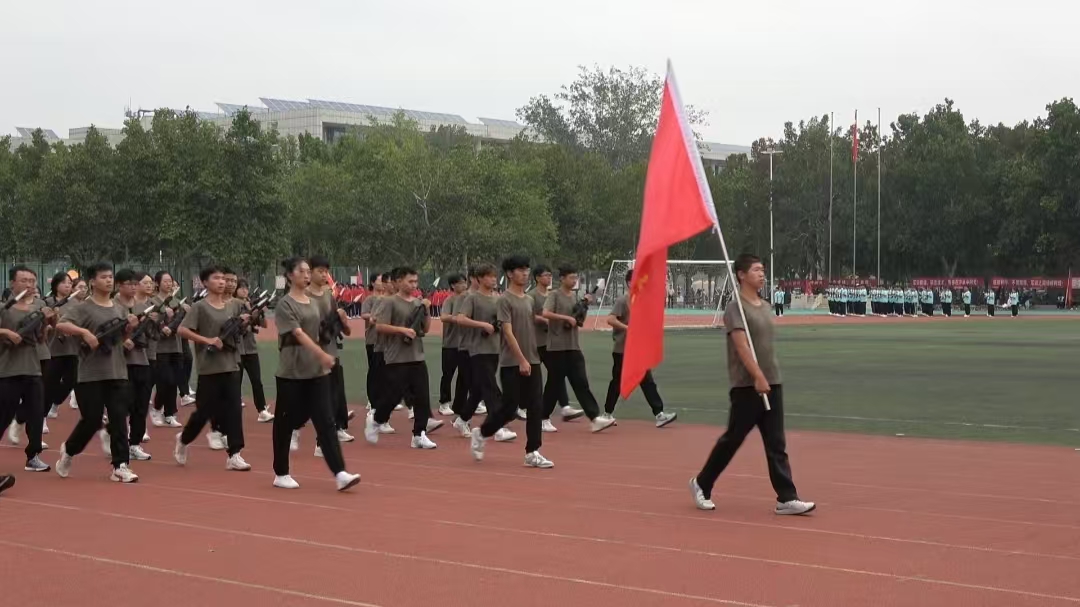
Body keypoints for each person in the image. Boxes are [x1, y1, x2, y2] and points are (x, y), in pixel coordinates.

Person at [690, 253, 815, 516]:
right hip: (747, 385)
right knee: (732, 439)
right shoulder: (735, 308)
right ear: (741, 274)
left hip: (772, 382)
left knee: (776, 443)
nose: (761, 274)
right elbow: (741, 346)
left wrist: (767, 377)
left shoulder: (765, 306)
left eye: (763, 270)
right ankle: (702, 483)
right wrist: (757, 375)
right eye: (756, 270)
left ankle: (787, 497)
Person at [270, 257, 360, 491]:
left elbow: (324, 331)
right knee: (285, 423)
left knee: (326, 421)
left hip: (316, 372)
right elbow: (298, 334)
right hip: (292, 372)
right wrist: (321, 354)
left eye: (308, 271)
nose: (307, 275)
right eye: (302, 271)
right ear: (289, 275)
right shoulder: (285, 305)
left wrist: (342, 323)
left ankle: (340, 473)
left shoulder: (315, 302)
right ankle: (281, 472)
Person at [54, 262, 140, 483]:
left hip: (117, 371)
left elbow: (120, 339)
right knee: (92, 420)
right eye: (104, 277)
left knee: (119, 418)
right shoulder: (83, 307)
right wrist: (84, 332)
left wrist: (129, 328)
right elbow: (62, 325)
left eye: (110, 277)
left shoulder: (119, 308)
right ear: (92, 281)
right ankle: (69, 450)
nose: (109, 281)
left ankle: (120, 465)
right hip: (90, 373)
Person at [470, 256, 552, 467]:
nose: (525, 273)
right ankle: (481, 433)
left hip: (532, 359)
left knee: (536, 406)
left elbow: (530, 327)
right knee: (509, 409)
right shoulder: (504, 300)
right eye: (520, 270)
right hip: (512, 362)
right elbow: (507, 332)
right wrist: (521, 359)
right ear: (509, 274)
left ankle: (532, 452)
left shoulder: (529, 300)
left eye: (527, 269)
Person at [173, 265, 251, 472]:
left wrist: (244, 322)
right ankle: (184, 439)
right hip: (209, 368)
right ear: (205, 282)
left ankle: (235, 454)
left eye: (223, 278)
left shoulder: (233, 306)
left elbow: (240, 331)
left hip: (231, 365)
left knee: (234, 410)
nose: (222, 282)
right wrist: (207, 340)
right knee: (204, 412)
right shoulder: (200, 307)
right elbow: (182, 330)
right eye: (216, 278)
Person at [364, 266, 440, 449]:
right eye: (410, 281)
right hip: (396, 357)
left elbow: (425, 329)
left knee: (422, 396)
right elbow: (380, 327)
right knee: (393, 396)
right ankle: (377, 420)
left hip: (416, 355)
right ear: (398, 282)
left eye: (416, 281)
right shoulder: (389, 302)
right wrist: (402, 330)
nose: (414, 285)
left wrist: (427, 310)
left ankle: (419, 434)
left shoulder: (418, 303)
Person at [541, 266, 615, 433]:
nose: (574, 281)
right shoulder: (554, 295)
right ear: (562, 278)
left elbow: (579, 320)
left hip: (573, 346)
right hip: (557, 347)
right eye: (571, 277)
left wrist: (585, 305)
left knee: (581, 382)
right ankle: (543, 417)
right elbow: (545, 313)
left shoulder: (575, 297)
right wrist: (566, 318)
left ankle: (594, 418)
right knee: (554, 384)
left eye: (576, 278)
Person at [602, 268, 678, 427]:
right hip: (622, 349)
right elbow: (610, 319)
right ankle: (607, 413)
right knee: (617, 382)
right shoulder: (623, 300)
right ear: (630, 282)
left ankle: (659, 414)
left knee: (647, 380)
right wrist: (627, 328)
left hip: (637, 350)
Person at [452, 263, 513, 440]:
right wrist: (482, 325)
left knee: (480, 388)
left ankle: (462, 419)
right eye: (489, 276)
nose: (493, 279)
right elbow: (460, 319)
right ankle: (496, 427)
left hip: (495, 348)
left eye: (495, 276)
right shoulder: (472, 298)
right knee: (490, 387)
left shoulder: (499, 299)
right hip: (477, 349)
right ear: (479, 278)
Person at [0, 265, 51, 473]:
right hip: (8, 370)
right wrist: (6, 332)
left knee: (36, 413)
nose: (29, 285)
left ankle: (33, 456)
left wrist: (47, 322)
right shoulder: (4, 308)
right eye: (24, 280)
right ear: (12, 283)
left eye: (32, 281)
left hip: (32, 369)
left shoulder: (37, 308)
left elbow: (41, 339)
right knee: (4, 415)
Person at [235, 279, 273, 423]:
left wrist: (260, 313)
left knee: (256, 380)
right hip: (237, 349)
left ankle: (262, 410)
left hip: (251, 349)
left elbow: (264, 325)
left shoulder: (251, 304)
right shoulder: (232, 305)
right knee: (235, 382)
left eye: (246, 287)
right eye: (241, 288)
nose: (244, 290)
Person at [436, 273, 467, 417]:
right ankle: (444, 403)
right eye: (461, 283)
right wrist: (458, 319)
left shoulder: (468, 299)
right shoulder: (450, 300)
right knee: (448, 374)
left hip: (465, 344)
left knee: (465, 375)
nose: (464, 285)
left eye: (465, 282)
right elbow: (443, 317)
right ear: (453, 285)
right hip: (450, 344)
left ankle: (463, 403)